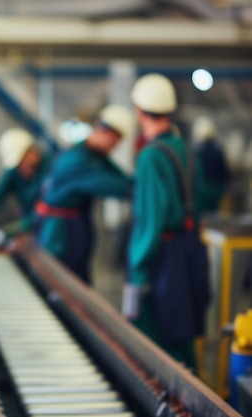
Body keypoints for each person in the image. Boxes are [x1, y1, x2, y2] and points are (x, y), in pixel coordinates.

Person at [124, 73, 210, 371]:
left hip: (164, 257)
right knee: (183, 337)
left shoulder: (150, 156)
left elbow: (151, 220)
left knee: (157, 346)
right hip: (189, 249)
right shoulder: (184, 148)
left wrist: (137, 265)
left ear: (139, 111)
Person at [38, 105, 134, 284]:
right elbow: (117, 186)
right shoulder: (77, 160)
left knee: (77, 281)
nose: (115, 147)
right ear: (106, 133)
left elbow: (125, 180)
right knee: (64, 284)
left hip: (74, 227)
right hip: (61, 233)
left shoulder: (94, 155)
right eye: (115, 142)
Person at [192, 115, 230, 213]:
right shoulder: (217, 152)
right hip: (215, 189)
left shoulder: (197, 153)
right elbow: (224, 173)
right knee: (214, 216)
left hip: (202, 189)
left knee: (202, 216)